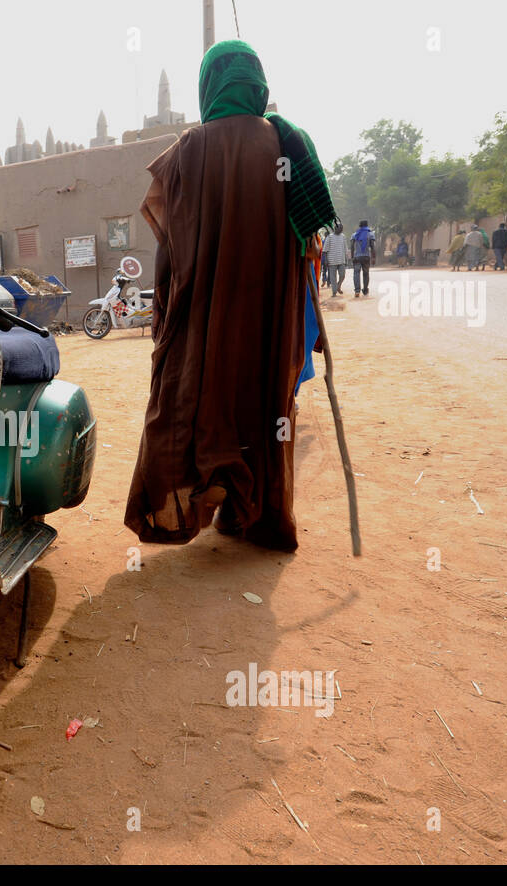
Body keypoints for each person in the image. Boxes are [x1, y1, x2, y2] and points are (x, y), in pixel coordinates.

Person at [124, 39, 336, 553]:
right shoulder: (288, 146)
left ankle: (180, 507)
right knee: (266, 404)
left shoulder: (189, 150)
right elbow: (310, 242)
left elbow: (169, 245)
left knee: (190, 399)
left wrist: (167, 311)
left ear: (209, 86)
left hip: (202, 316)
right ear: (256, 83)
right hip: (269, 315)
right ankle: (258, 516)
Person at [350, 219, 375, 296]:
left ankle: (357, 291)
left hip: (357, 257)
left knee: (356, 273)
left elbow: (351, 247)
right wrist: (374, 257)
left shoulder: (354, 234)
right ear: (367, 225)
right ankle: (365, 289)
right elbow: (373, 247)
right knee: (366, 273)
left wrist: (352, 257)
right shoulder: (370, 234)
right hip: (366, 257)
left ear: (359, 226)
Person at [322, 222, 348, 295]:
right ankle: (334, 292)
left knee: (342, 275)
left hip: (341, 260)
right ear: (335, 228)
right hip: (331, 261)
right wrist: (326, 260)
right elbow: (324, 250)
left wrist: (346, 259)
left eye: (342, 228)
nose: (341, 229)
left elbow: (345, 248)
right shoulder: (329, 237)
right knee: (333, 278)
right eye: (340, 228)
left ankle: (338, 286)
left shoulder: (343, 236)